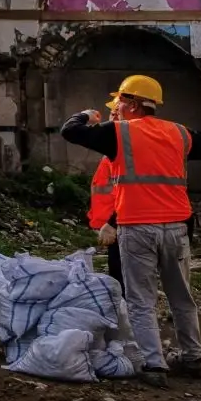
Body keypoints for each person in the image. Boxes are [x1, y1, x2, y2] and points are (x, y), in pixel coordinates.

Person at [61, 74, 201, 385]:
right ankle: (193, 359)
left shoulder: (118, 133)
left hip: (137, 227)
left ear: (133, 104)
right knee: (182, 297)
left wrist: (87, 115)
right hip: (177, 226)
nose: (117, 107)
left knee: (141, 299)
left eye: (121, 101)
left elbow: (70, 131)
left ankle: (154, 365)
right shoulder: (178, 133)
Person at [86, 97, 122, 283]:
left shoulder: (124, 147)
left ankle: (127, 307)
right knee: (117, 269)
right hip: (112, 223)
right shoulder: (114, 144)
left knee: (121, 272)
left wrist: (113, 223)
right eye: (112, 112)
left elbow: (126, 191)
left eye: (117, 112)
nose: (113, 116)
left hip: (119, 223)